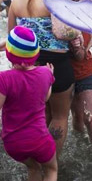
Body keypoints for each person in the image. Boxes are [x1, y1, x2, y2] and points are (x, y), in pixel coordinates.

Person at [7, 0, 80, 157]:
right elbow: (61, 32)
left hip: (27, 64)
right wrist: (77, 28)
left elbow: (13, 35)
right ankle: (52, 164)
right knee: (59, 117)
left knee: (38, 116)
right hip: (56, 64)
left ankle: (34, 164)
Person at [0, 26, 57, 181]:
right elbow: (45, 98)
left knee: (33, 167)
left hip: (13, 142)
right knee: (51, 169)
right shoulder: (45, 73)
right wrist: (49, 78)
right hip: (39, 138)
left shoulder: (4, 79)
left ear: (8, 54)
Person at [69, 0, 92, 145]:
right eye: (76, 3)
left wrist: (78, 46)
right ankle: (82, 150)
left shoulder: (86, 26)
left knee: (88, 116)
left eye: (84, 4)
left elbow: (81, 56)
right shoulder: (62, 22)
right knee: (77, 119)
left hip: (86, 74)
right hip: (67, 76)